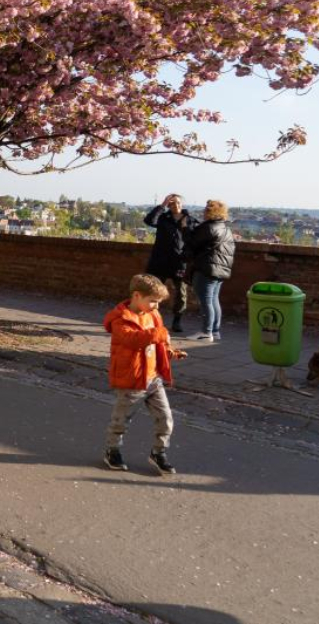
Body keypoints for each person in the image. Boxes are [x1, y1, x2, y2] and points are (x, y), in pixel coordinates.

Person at [102, 274, 188, 475]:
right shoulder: (120, 319)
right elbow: (132, 340)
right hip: (131, 379)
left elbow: (159, 343)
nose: (156, 306)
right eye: (153, 301)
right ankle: (112, 450)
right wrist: (157, 334)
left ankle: (159, 452)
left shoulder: (153, 316)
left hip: (153, 378)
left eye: (158, 302)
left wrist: (170, 352)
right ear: (137, 296)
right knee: (121, 420)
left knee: (166, 418)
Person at [143, 194, 198, 332]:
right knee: (153, 290)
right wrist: (162, 205)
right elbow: (149, 221)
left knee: (181, 292)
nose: (176, 205)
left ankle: (177, 320)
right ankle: (152, 318)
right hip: (160, 260)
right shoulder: (163, 218)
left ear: (182, 204)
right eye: (172, 203)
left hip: (179, 262)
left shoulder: (189, 220)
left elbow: (195, 240)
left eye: (178, 202)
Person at [186, 199, 235, 342]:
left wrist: (185, 228)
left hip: (206, 268)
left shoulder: (208, 227)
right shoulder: (225, 228)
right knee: (213, 300)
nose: (204, 212)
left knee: (206, 301)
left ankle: (206, 332)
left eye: (206, 209)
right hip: (220, 269)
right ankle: (215, 331)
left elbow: (191, 243)